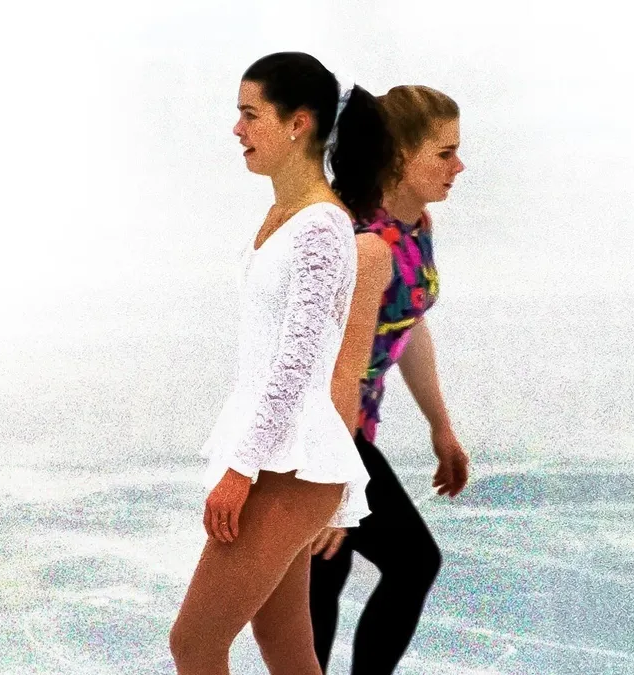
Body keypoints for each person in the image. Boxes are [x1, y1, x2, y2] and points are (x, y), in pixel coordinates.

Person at [169, 52, 397, 675]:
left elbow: (297, 364)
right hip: (278, 451)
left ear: (298, 123)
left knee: (194, 643)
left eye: (250, 115)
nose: (237, 129)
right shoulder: (284, 218)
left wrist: (241, 469)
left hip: (289, 463)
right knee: (286, 645)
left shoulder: (321, 228)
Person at [308, 85, 471, 674]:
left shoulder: (415, 224)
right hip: (318, 430)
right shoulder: (354, 238)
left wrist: (440, 427)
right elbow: (321, 362)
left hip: (353, 428)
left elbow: (408, 325)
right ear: (400, 156)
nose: (459, 166)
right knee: (406, 561)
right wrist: (335, 474)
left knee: (328, 572)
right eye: (444, 153)